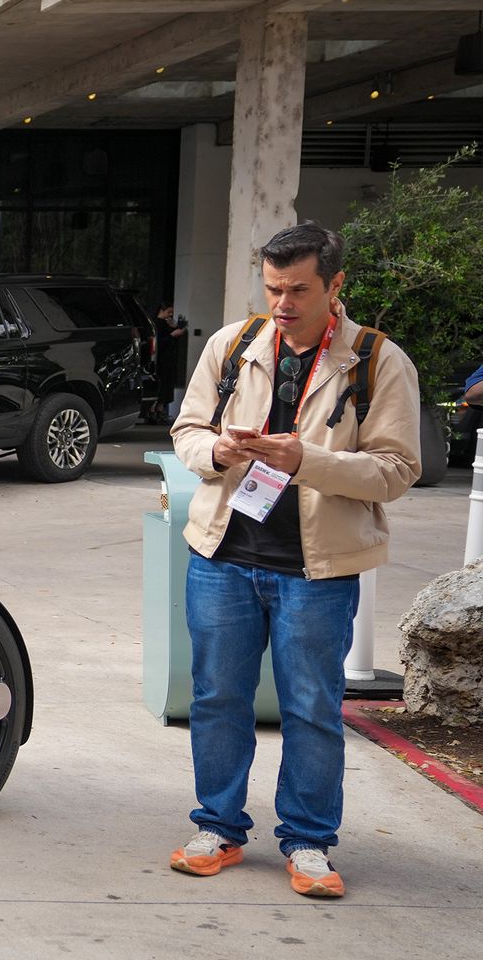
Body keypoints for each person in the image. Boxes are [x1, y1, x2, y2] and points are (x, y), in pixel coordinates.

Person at [167, 222, 421, 899]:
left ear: (335, 285)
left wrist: (306, 460)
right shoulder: (234, 345)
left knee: (311, 707)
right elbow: (187, 429)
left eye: (298, 290)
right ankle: (217, 827)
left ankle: (308, 842)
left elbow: (397, 469)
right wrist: (217, 451)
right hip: (222, 555)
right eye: (273, 288)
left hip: (318, 570)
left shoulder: (377, 360)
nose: (282, 303)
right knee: (218, 697)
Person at [152, 302, 189, 422]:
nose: (170, 315)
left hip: (167, 360)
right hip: (161, 360)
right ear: (161, 311)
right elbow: (160, 342)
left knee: (166, 385)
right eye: (168, 312)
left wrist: (175, 327)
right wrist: (172, 334)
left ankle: (159, 410)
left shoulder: (165, 323)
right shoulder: (157, 324)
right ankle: (156, 411)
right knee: (162, 385)